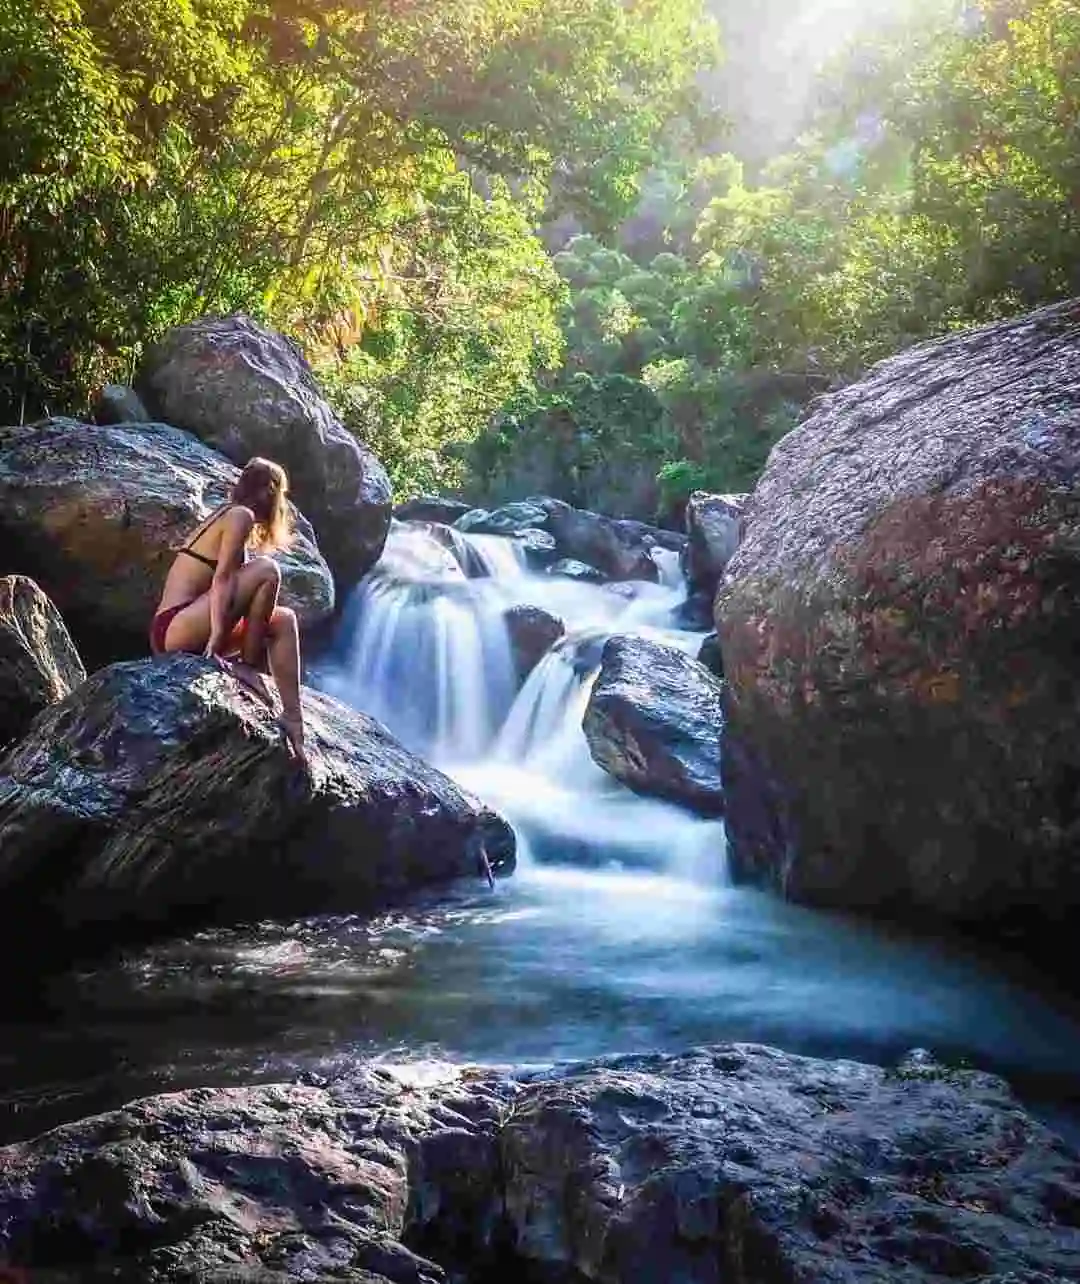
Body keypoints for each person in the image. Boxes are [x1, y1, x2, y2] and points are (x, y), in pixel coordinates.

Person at [149, 456, 306, 763]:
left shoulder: (234, 515)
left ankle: (294, 719)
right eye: (281, 496)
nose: (282, 505)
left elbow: (239, 594)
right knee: (268, 570)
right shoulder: (238, 515)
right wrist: (219, 637)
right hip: (173, 629)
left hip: (191, 624)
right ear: (269, 493)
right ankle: (247, 666)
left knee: (285, 620)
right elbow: (222, 580)